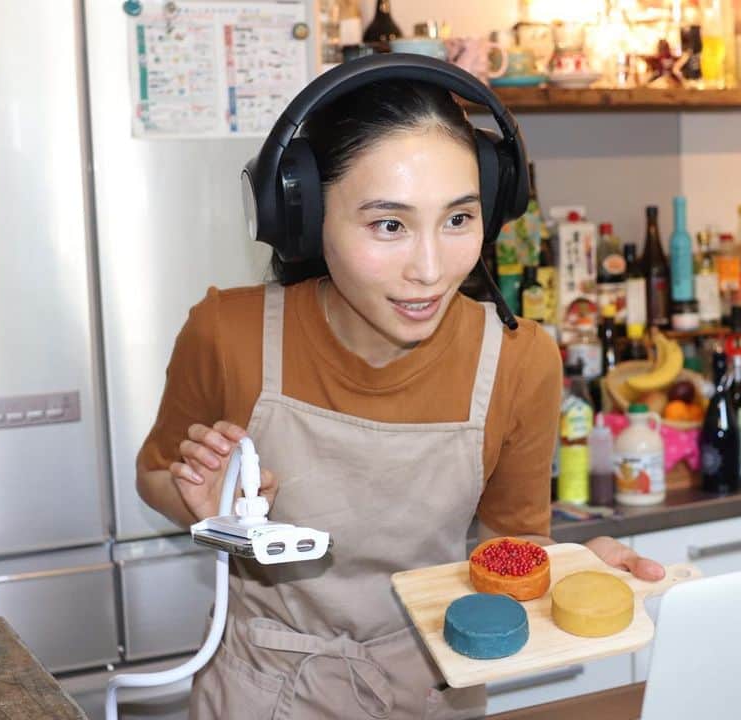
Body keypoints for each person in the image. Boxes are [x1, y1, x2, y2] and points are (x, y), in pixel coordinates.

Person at [136, 58, 663, 720]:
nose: (431, 269)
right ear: (306, 216)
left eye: (458, 219)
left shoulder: (519, 360)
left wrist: (573, 574)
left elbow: (510, 547)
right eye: (389, 225)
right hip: (261, 689)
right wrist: (209, 510)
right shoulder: (227, 332)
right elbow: (156, 473)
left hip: (432, 689)